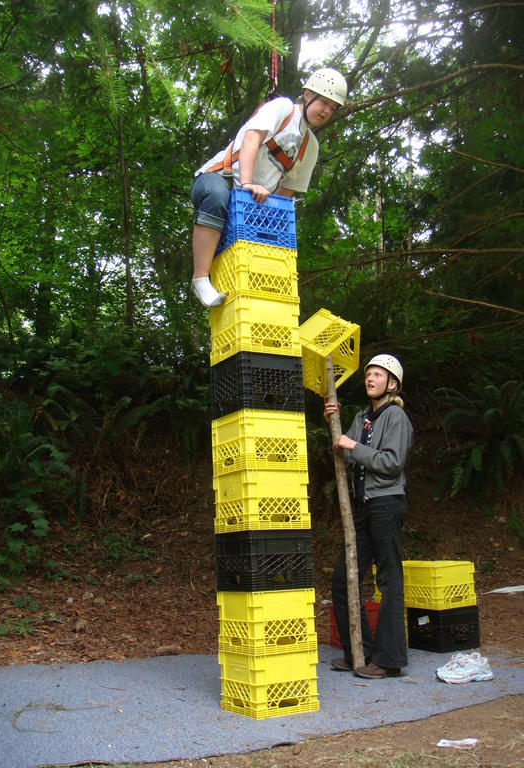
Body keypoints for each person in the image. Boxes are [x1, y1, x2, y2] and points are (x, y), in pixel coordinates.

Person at [189, 67, 348, 307]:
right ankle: (200, 279)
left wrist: (265, 223)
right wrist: (247, 183)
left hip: (250, 204)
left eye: (333, 107)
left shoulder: (310, 146)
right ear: (307, 95)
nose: (327, 110)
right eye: (324, 102)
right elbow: (251, 139)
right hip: (220, 178)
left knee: (267, 234)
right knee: (217, 195)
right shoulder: (282, 108)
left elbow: (286, 192)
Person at [324, 354, 413, 680]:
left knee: (388, 580)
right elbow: (343, 454)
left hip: (387, 503)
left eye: (377, 375)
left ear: (392, 383)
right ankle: (359, 652)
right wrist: (333, 423)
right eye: (368, 375)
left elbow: (391, 463)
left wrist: (353, 446)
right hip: (364, 507)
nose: (370, 379)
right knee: (343, 578)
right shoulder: (362, 418)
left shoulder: (395, 417)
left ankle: (390, 660)